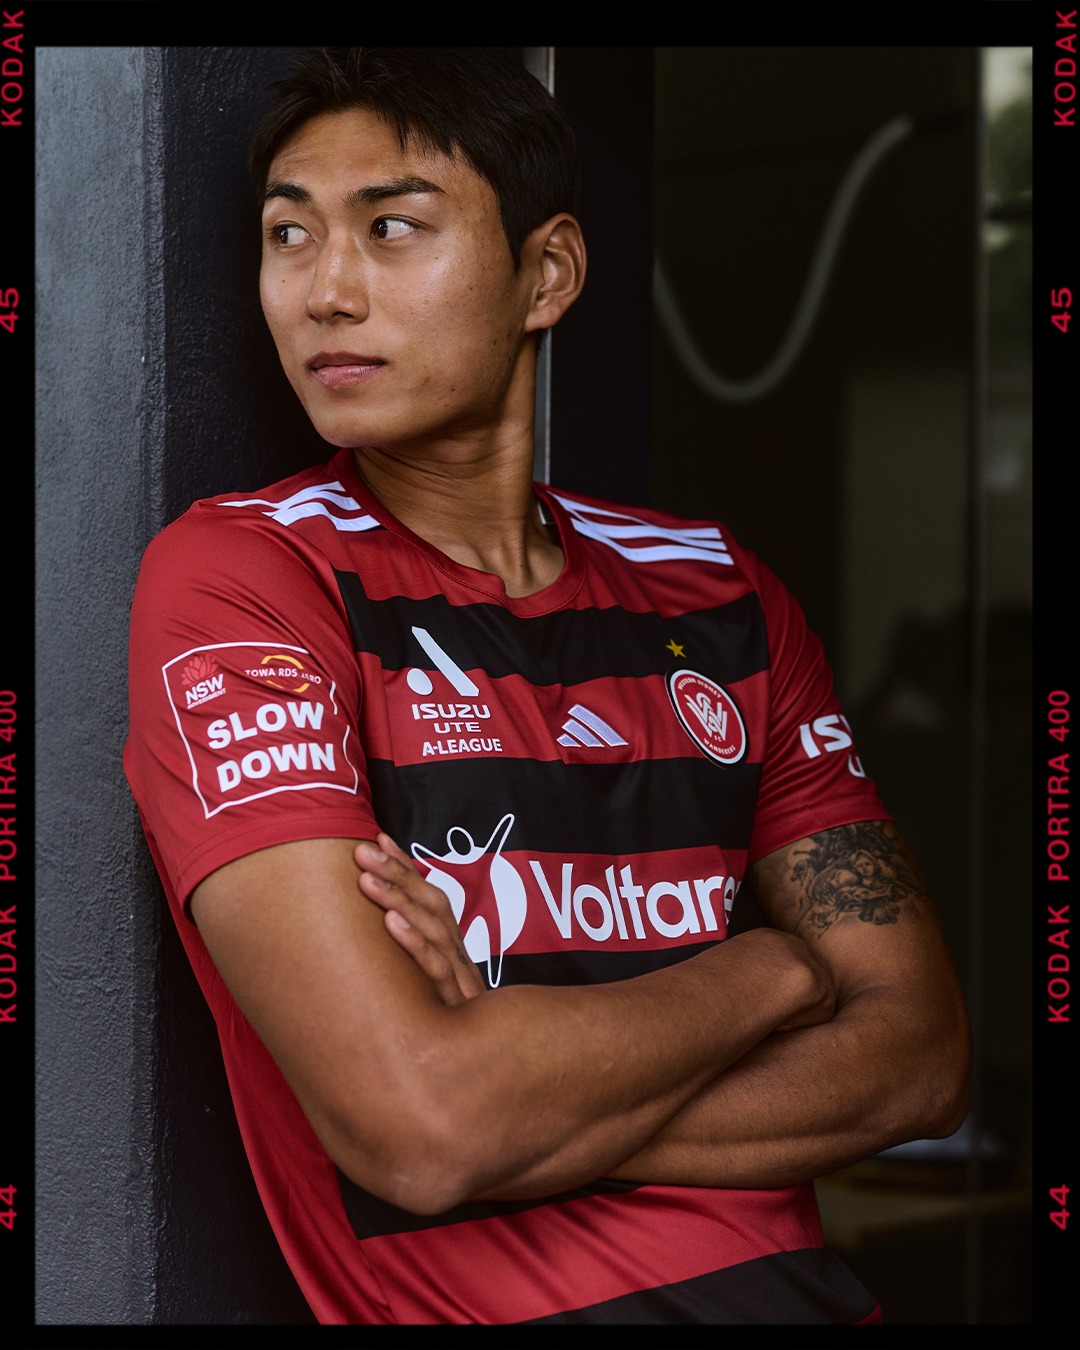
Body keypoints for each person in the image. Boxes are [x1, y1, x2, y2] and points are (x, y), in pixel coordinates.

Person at [123, 46, 970, 1325]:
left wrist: (521, 1082)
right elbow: (425, 1128)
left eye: (392, 227)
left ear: (548, 273)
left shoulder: (719, 591)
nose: (325, 291)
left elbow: (921, 1061)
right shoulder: (244, 577)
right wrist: (772, 976)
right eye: (289, 235)